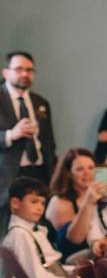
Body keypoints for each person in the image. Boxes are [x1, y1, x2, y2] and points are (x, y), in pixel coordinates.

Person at [3, 177, 76, 278]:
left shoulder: (32, 231)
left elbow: (49, 265)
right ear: (15, 203)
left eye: (42, 203)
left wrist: (74, 272)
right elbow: (38, 277)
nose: (39, 208)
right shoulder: (20, 235)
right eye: (34, 201)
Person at [0, 51, 57, 204]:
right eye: (19, 69)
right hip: (9, 174)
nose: (25, 74)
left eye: (29, 70)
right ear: (5, 72)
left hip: (39, 172)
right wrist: (12, 134)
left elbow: (49, 141)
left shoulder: (40, 102)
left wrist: (52, 171)